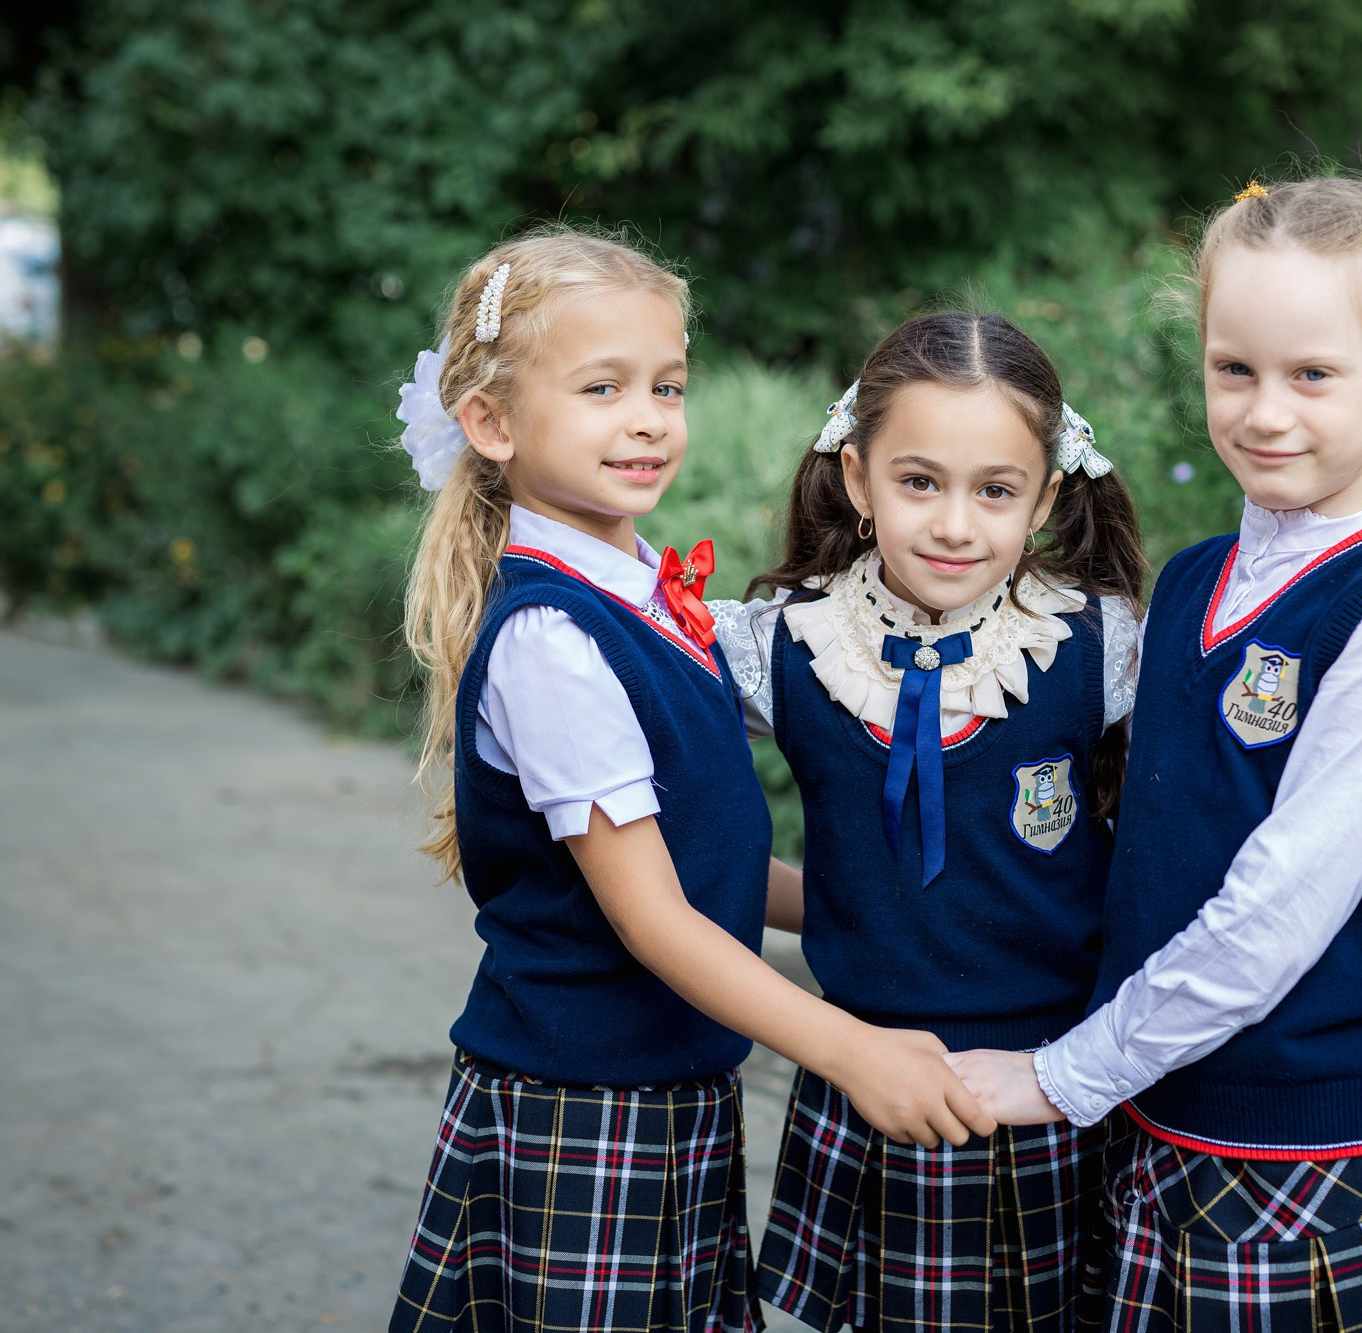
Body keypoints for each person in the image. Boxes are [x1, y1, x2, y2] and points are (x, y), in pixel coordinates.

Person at [707, 311, 1362, 1333]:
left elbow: (1234, 789)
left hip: (1065, 1084)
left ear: (1046, 495)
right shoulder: (778, 646)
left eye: (995, 490)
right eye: (918, 481)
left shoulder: (1101, 645)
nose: (954, 524)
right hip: (871, 1084)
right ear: (854, 477)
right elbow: (648, 774)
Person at [386, 228, 992, 1333]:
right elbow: (656, 917)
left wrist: (873, 903)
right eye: (601, 386)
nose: (648, 416)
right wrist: (849, 1049)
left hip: (668, 1097)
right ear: (491, 422)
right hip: (580, 1111)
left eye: (667, 383)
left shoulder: (641, 595)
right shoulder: (550, 640)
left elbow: (707, 860)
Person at [951, 178, 1362, 1333]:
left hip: (1298, 1150)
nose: (1264, 412)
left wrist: (1062, 1075)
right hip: (1155, 1110)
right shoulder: (1194, 577)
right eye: (1232, 368)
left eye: (1311, 374)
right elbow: (1150, 813)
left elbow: (1275, 910)